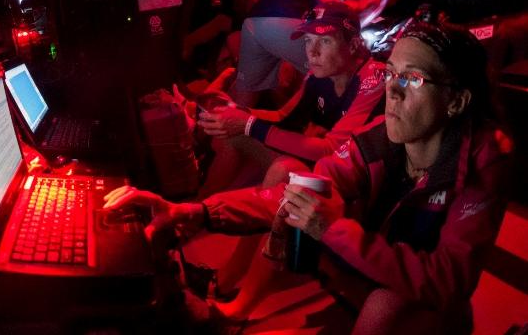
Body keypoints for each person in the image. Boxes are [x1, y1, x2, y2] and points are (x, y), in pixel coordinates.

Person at [103, 21, 512, 334]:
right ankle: (231, 300)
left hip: (425, 303)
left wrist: (332, 228)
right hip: (368, 267)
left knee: (384, 307)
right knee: (294, 188)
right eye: (391, 74)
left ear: (456, 101)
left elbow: (445, 280)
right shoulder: (378, 136)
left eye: (413, 79)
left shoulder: (484, 162)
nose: (394, 91)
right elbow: (305, 185)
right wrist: (193, 212)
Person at [197, 1, 384, 196]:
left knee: (283, 169)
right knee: (231, 136)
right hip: (324, 166)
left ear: (353, 44)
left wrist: (248, 124)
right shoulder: (318, 74)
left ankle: (263, 219)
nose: (312, 52)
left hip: (356, 184)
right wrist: (238, 113)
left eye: (325, 41)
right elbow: (285, 117)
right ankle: (195, 209)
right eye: (308, 40)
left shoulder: (374, 79)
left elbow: (332, 150)